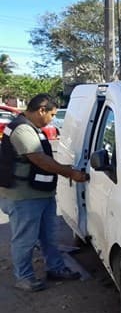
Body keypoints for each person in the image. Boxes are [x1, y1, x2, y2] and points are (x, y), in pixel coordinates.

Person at [0, 94, 89, 292]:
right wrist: (70, 172)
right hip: (24, 196)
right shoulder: (22, 129)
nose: (52, 119)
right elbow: (40, 160)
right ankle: (24, 277)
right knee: (25, 239)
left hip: (41, 193)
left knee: (49, 236)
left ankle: (55, 268)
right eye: (52, 114)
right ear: (41, 110)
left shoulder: (33, 128)